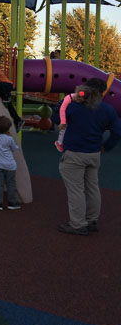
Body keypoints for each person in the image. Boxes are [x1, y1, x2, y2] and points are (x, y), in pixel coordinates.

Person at [57, 78, 121, 236]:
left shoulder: (73, 105)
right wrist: (106, 147)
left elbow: (57, 119)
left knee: (76, 190)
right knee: (92, 187)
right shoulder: (108, 110)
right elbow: (117, 132)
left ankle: (78, 224)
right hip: (94, 153)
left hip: (74, 153)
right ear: (102, 93)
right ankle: (92, 220)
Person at [54, 85, 87, 152]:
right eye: (77, 99)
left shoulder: (84, 100)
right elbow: (62, 109)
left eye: (80, 101)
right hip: (62, 113)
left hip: (72, 114)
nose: (78, 101)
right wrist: (63, 122)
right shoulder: (69, 98)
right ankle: (59, 142)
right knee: (64, 128)